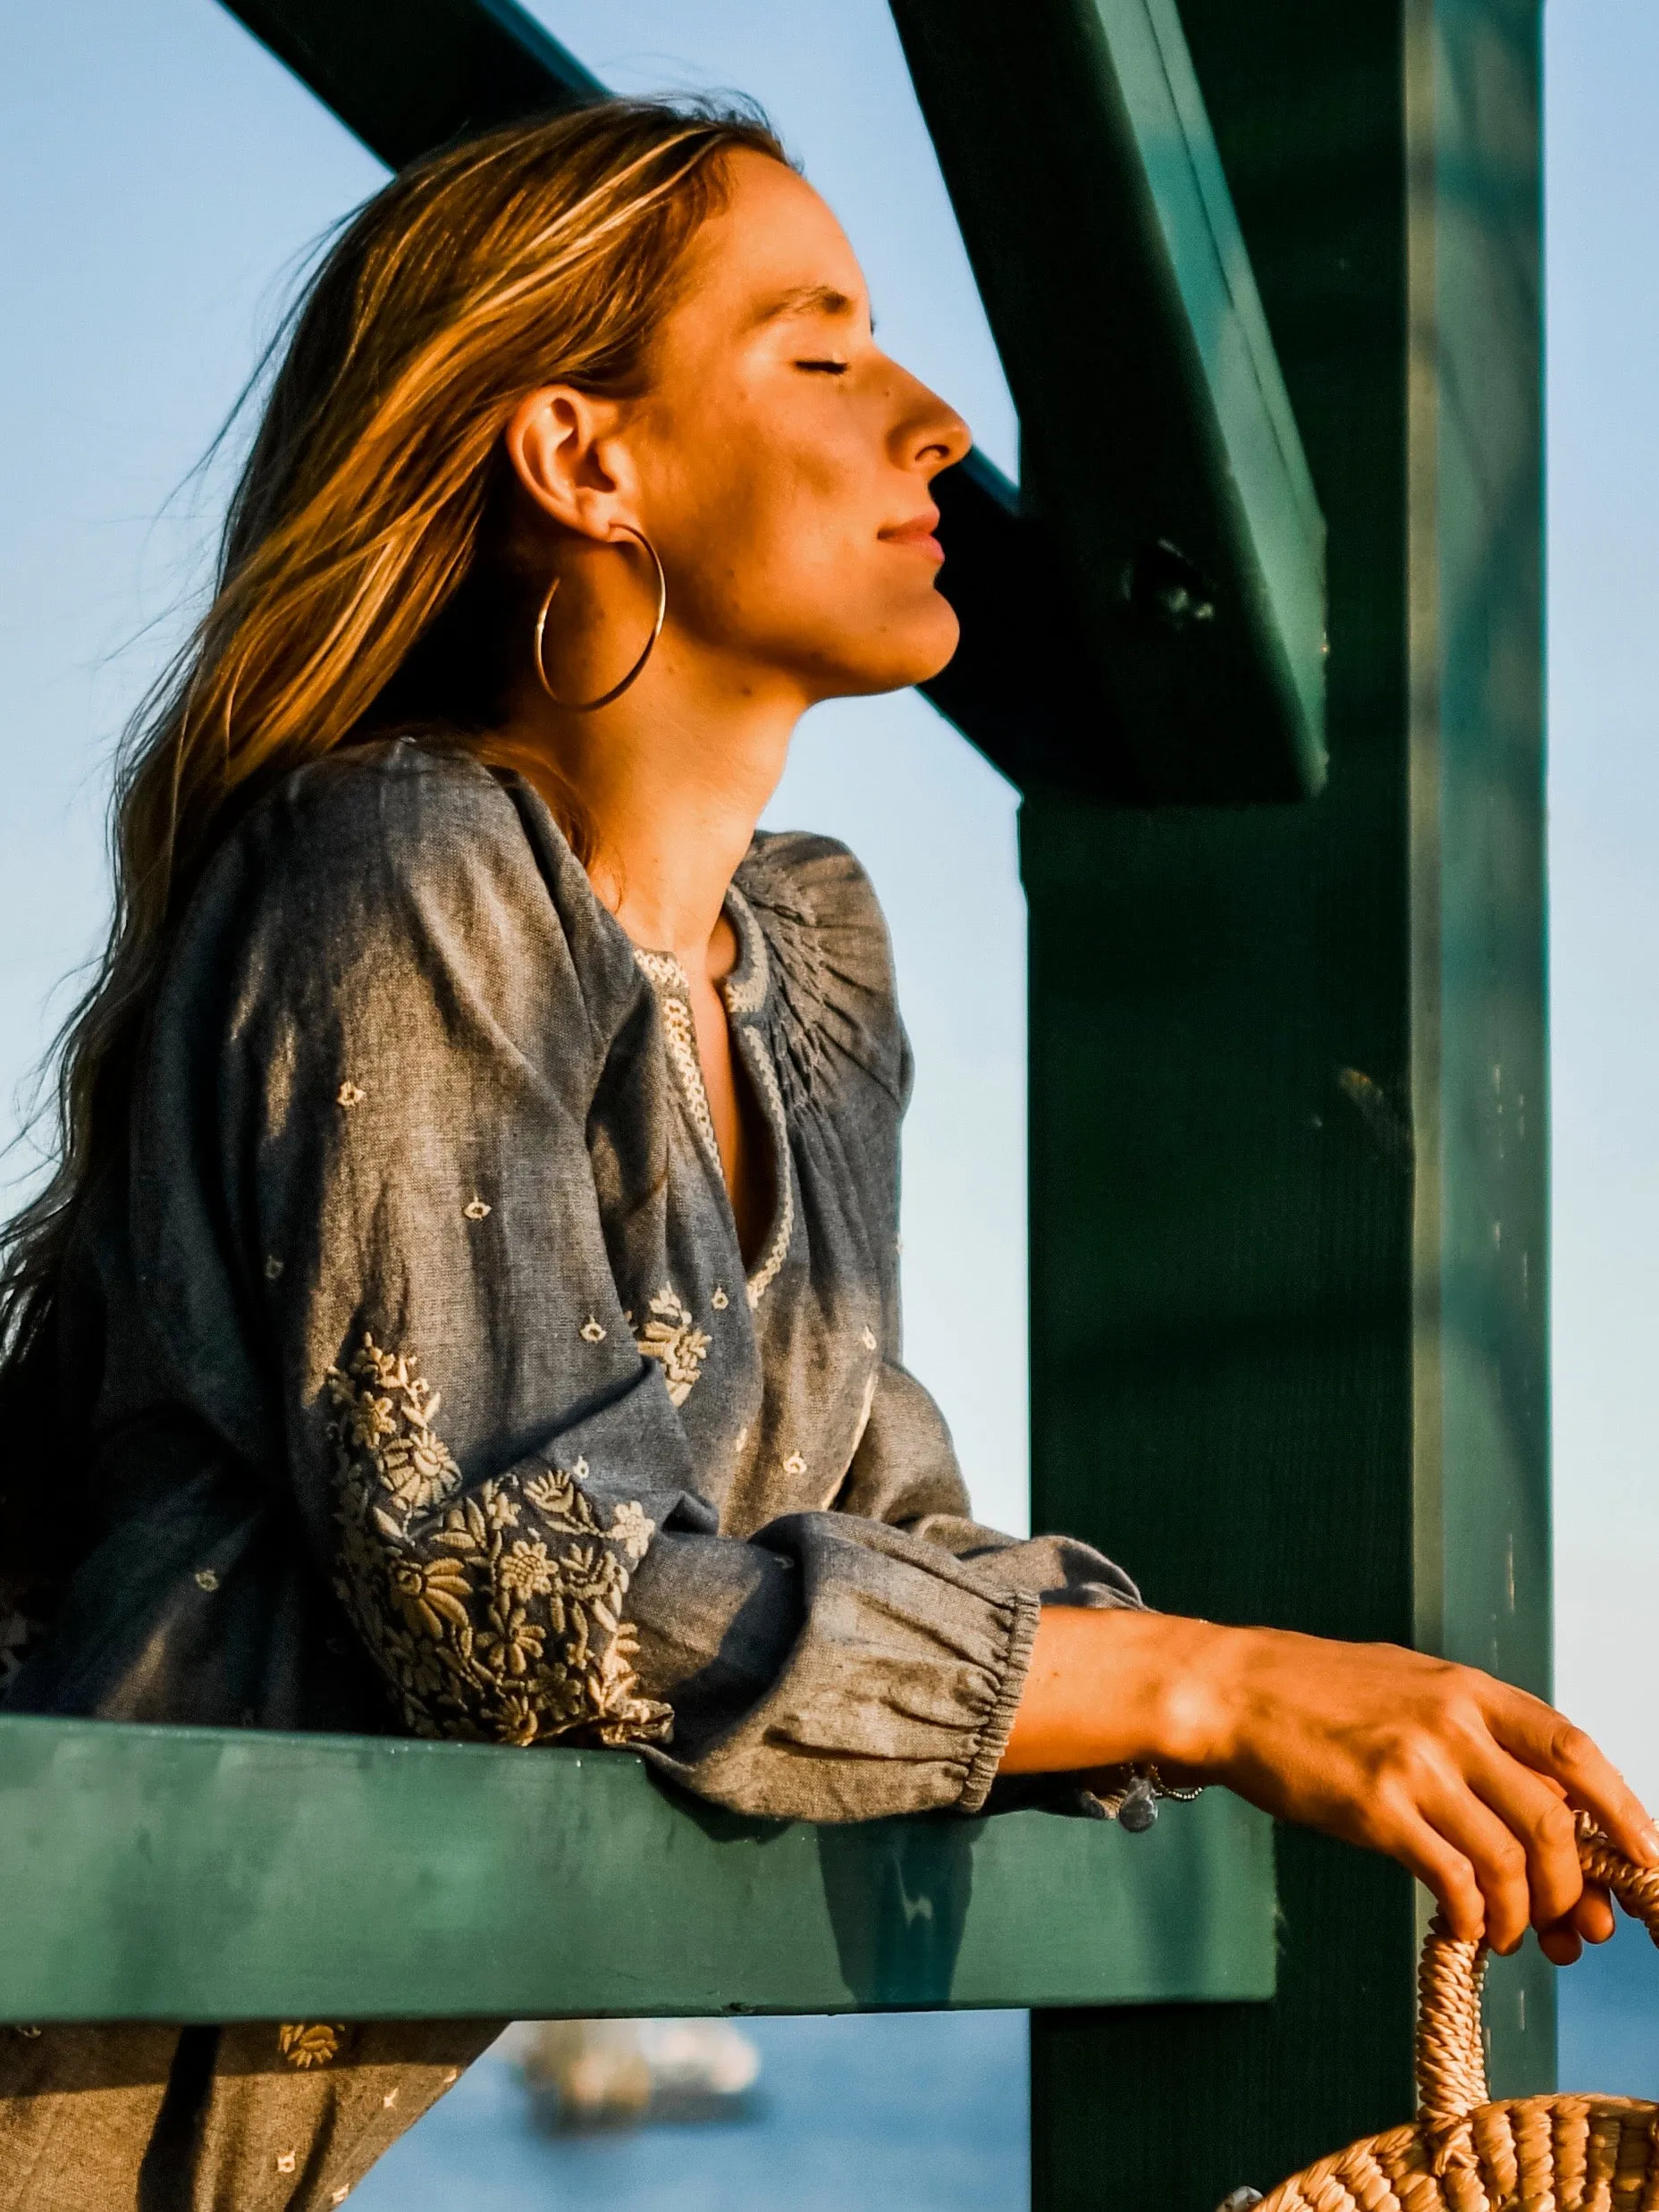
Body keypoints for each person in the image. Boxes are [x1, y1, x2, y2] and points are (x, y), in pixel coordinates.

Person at [0, 95, 1646, 2212]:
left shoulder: (805, 961)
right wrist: (1217, 1688)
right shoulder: (396, 862)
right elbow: (522, 1591)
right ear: (583, 461)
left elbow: (875, 1537)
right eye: (822, 350)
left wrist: (1329, 1708)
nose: (936, 418)